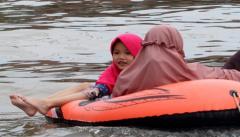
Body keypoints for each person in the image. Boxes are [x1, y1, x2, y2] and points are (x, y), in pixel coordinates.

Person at [10, 33, 143, 116]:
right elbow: (104, 85)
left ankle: (43, 104)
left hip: (114, 95)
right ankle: (41, 103)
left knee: (91, 90)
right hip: (105, 93)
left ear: (138, 54)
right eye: (116, 53)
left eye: (127, 53)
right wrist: (96, 90)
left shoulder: (142, 70)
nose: (121, 57)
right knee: (85, 86)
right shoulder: (113, 69)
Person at [112, 25, 240, 97]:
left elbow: (115, 98)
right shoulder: (189, 71)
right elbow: (237, 77)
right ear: (176, 44)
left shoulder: (126, 77)